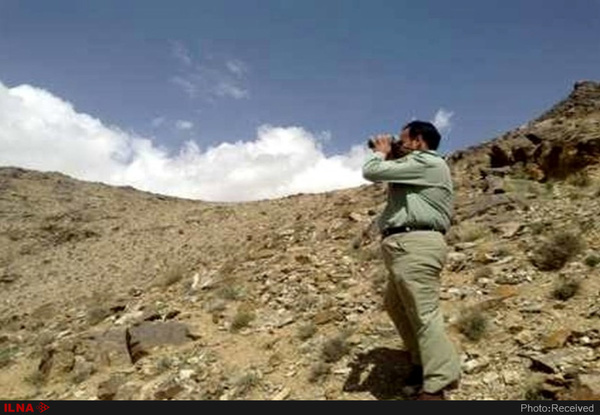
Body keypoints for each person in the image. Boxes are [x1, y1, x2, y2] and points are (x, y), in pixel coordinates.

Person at [362, 120, 461, 400]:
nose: (398, 143)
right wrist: (394, 152)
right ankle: (420, 362)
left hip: (417, 244)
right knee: (395, 306)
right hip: (402, 247)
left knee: (423, 314)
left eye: (403, 139)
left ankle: (438, 384)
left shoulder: (427, 162)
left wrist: (381, 151)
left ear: (418, 141)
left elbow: (372, 171)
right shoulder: (413, 168)